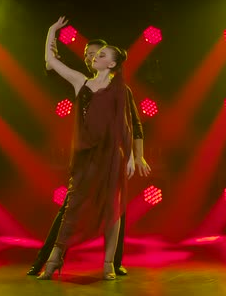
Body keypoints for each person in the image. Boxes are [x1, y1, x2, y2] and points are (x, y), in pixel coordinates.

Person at [33, 16, 150, 280]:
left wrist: (132, 156)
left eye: (102, 54)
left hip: (112, 157)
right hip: (87, 155)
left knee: (113, 208)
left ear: (112, 63)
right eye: (93, 54)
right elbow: (51, 62)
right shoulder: (81, 83)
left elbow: (127, 125)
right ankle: (53, 261)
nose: (94, 56)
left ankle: (109, 263)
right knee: (73, 206)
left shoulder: (121, 89)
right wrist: (51, 31)